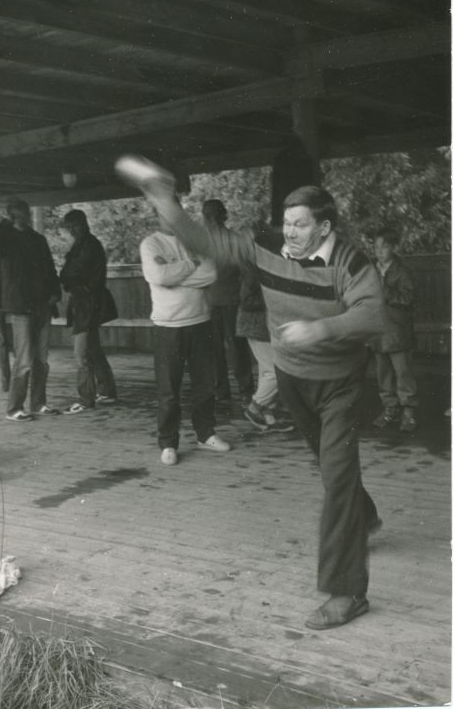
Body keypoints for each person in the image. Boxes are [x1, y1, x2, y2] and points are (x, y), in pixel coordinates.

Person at [117, 154, 386, 629]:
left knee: (337, 477)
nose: (290, 234)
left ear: (324, 228)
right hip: (291, 377)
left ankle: (346, 593)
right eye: (286, 223)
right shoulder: (265, 245)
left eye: (300, 226)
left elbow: (372, 314)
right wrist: (166, 203)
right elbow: (207, 241)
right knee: (331, 467)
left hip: (340, 384)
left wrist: (321, 330)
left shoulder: (351, 259)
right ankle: (362, 515)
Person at [139, 208, 231, 465]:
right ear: (157, 216)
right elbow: (158, 276)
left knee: (204, 384)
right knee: (169, 389)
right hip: (168, 325)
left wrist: (174, 276)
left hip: (201, 321)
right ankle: (168, 443)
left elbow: (211, 274)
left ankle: (206, 434)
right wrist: (192, 265)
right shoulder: (151, 243)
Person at [0, 199, 61, 421]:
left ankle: (39, 403)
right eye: (17, 216)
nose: (24, 219)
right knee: (23, 360)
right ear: (11, 217)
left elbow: (50, 267)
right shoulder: (5, 239)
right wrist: (4, 224)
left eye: (25, 215)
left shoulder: (38, 240)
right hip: (20, 307)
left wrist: (55, 293)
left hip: (42, 304)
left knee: (42, 358)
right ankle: (14, 408)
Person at [59, 209, 118, 414]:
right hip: (85, 301)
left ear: (84, 223)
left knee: (81, 354)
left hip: (87, 302)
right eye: (69, 227)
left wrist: (65, 278)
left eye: (74, 225)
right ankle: (107, 390)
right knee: (93, 349)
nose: (72, 230)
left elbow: (71, 273)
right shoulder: (83, 244)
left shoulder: (88, 245)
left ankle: (85, 399)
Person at [202, 200, 254, 403]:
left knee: (232, 347)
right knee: (222, 348)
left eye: (209, 215)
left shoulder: (233, 240)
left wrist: (243, 296)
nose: (208, 219)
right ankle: (230, 391)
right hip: (214, 303)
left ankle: (239, 390)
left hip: (228, 301)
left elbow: (248, 273)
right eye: (207, 214)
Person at [371, 228, 418, 433]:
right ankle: (390, 408)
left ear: (393, 248)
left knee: (403, 372)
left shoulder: (402, 271)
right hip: (378, 331)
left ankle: (409, 412)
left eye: (384, 246)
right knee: (384, 374)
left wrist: (383, 288)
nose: (379, 251)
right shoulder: (371, 269)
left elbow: (407, 299)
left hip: (397, 330)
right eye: (376, 246)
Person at [236, 267, 294, 433]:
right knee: (275, 371)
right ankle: (255, 407)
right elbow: (247, 300)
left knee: (265, 371)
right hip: (256, 326)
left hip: (266, 327)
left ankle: (269, 416)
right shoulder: (253, 269)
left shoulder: (263, 266)